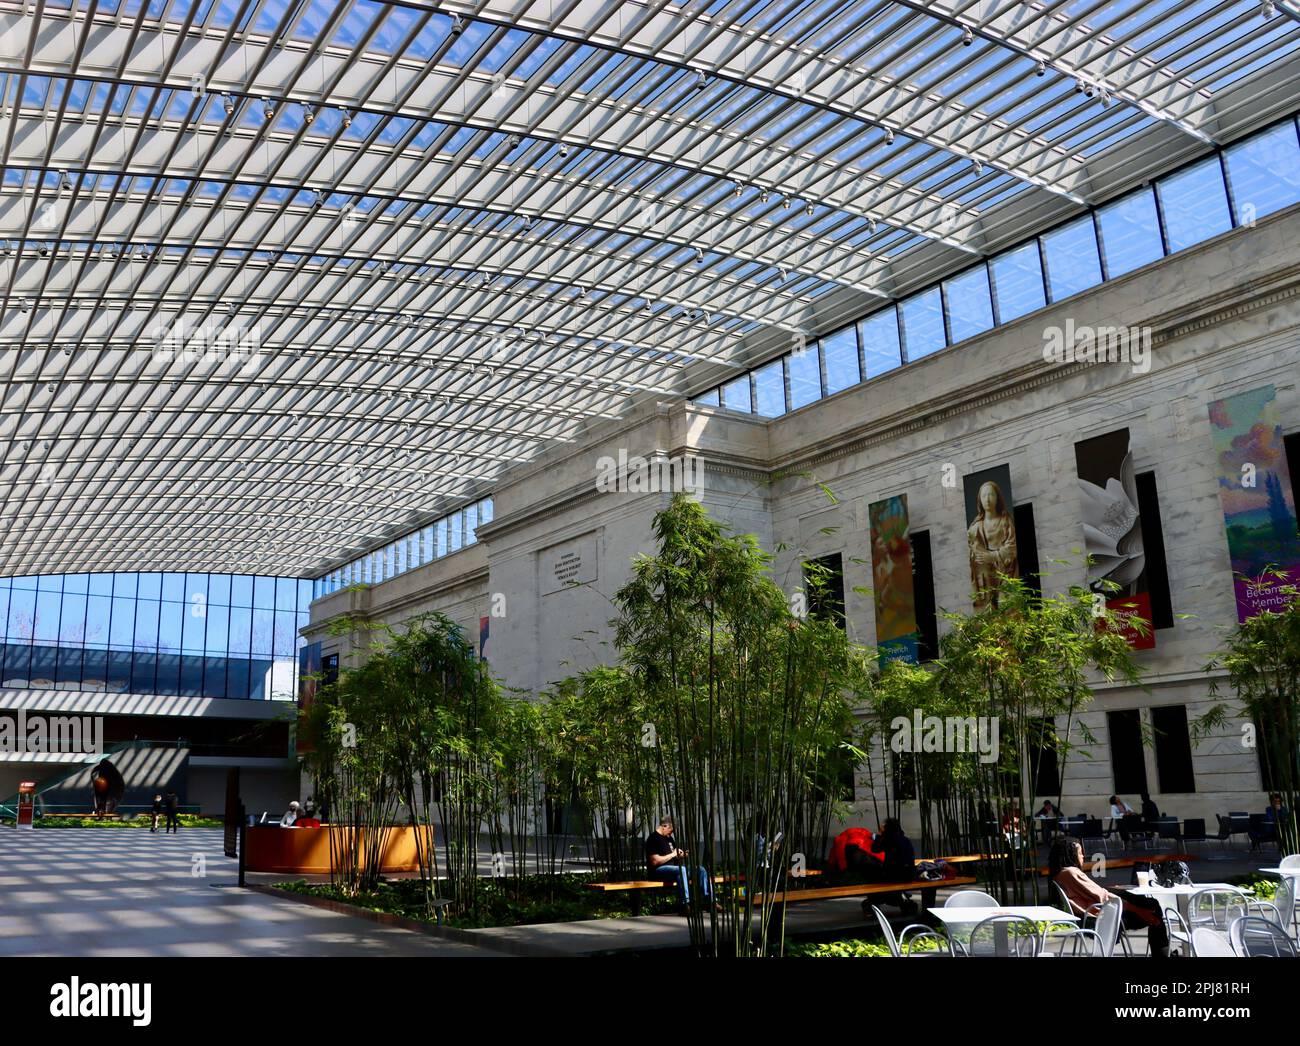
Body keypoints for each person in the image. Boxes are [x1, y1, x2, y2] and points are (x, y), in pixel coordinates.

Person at [1050, 836, 1169, 957]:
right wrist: (1138, 910)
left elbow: (1094, 893)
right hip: (1100, 919)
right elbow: (1102, 896)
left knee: (1144, 902)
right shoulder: (1071, 872)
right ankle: (1162, 954)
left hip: (1092, 915)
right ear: (1070, 854)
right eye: (1080, 853)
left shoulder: (1061, 874)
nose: (1083, 856)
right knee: (1152, 905)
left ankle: (1161, 953)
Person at [967, 480, 1018, 611]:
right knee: (988, 608)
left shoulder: (1005, 521)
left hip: (1006, 568)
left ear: (997, 498)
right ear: (980, 500)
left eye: (991, 495)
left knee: (1007, 606)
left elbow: (1012, 547)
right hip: (987, 573)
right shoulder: (976, 527)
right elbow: (974, 552)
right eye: (984, 496)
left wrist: (993, 556)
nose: (987, 499)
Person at [645, 816, 712, 909]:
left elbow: (673, 856)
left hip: (676, 870)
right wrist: (673, 854)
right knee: (682, 870)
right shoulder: (653, 838)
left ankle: (710, 901)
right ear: (664, 826)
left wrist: (680, 855)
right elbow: (654, 861)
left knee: (700, 870)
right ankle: (685, 904)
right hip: (658, 872)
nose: (671, 833)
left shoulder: (669, 839)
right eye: (671, 830)